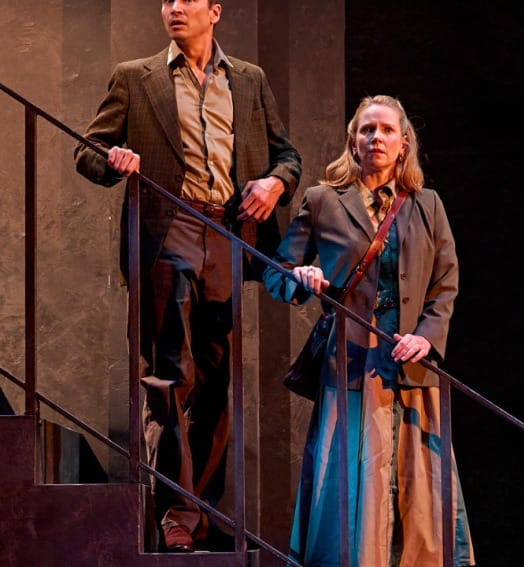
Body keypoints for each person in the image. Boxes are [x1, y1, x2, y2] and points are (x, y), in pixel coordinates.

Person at [74, 0, 301, 553]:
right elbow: (88, 150)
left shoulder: (248, 80)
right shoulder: (137, 77)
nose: (174, 8)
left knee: (217, 383)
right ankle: (174, 511)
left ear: (214, 11)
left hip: (227, 232)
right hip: (166, 226)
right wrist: (116, 158)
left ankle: (198, 510)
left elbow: (287, 157)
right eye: (167, 0)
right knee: (171, 375)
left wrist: (274, 185)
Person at [264, 95, 475, 566]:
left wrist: (427, 335)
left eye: (385, 130)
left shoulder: (427, 205)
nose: (375, 137)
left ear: (404, 144)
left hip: (411, 365)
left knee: (422, 488)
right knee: (351, 483)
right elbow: (276, 272)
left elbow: (446, 281)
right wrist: (300, 278)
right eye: (366, 130)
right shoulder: (322, 200)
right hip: (351, 365)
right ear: (352, 142)